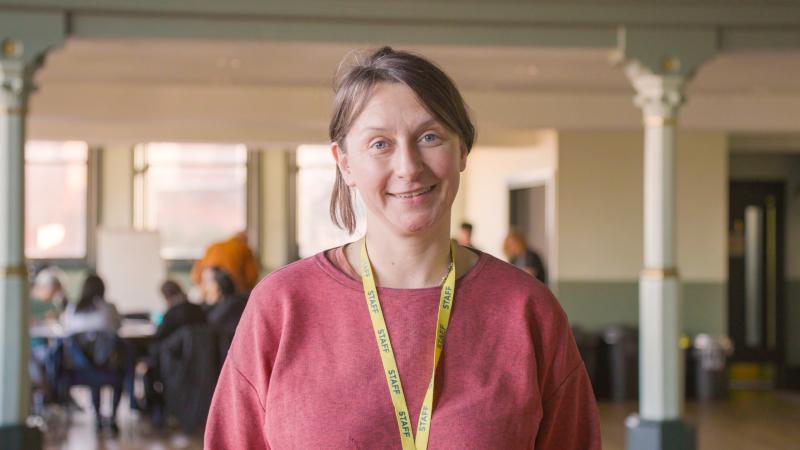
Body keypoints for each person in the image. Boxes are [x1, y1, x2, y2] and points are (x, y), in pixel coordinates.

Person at [205, 47, 599, 449]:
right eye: (380, 144)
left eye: (429, 136)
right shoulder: (282, 305)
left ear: (462, 150)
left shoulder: (527, 309)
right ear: (344, 163)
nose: (409, 167)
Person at [59, 273, 124, 432]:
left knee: (92, 364)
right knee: (109, 362)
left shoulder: (72, 309)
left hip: (78, 368)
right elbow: (117, 328)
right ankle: (113, 416)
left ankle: (97, 416)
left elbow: (65, 331)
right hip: (107, 367)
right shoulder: (109, 309)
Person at [190, 231, 259, 296]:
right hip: (233, 293)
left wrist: (204, 287)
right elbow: (252, 277)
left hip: (208, 292)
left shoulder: (213, 246)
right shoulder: (245, 248)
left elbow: (196, 274)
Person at [202, 266, 246, 363]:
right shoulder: (223, 304)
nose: (205, 287)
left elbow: (210, 323)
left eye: (209, 283)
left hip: (227, 357)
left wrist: (210, 301)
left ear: (218, 287)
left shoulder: (231, 305)